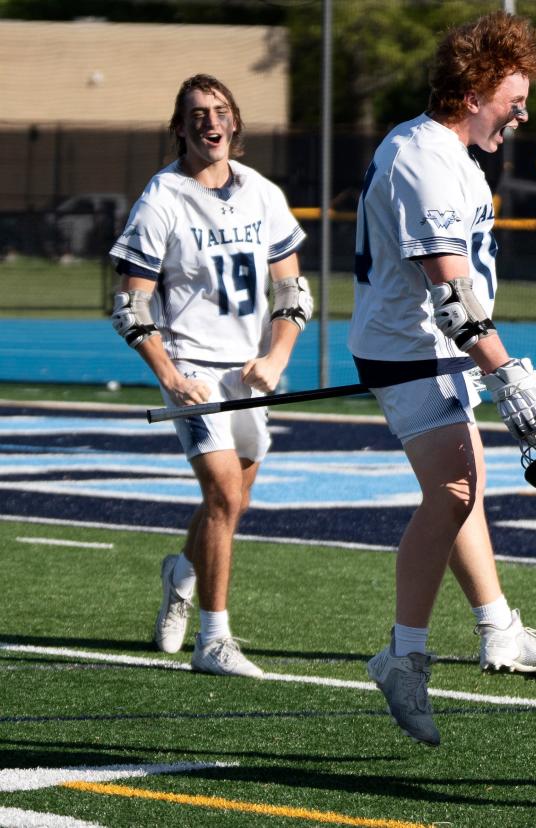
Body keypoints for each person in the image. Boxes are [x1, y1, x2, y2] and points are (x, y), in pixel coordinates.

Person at [349, 11, 536, 748]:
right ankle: (403, 655)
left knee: (466, 486)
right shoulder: (422, 158)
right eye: (515, 95)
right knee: (452, 491)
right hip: (411, 347)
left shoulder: (448, 154)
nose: (523, 110)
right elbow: (450, 293)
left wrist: (493, 363)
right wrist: (507, 369)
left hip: (434, 347)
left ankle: (498, 628)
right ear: (477, 87)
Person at [109, 74, 313, 678]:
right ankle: (214, 639)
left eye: (219, 111)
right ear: (180, 128)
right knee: (223, 496)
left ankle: (182, 572)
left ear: (234, 122)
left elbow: (291, 289)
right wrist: (169, 375)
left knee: (233, 501)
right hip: (195, 371)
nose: (209, 122)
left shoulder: (263, 193)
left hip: (247, 374)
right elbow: (130, 305)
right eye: (196, 114)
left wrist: (277, 357)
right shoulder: (163, 198)